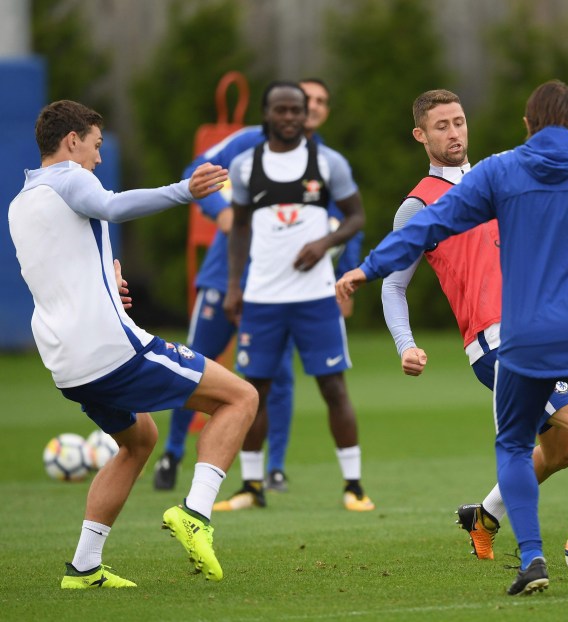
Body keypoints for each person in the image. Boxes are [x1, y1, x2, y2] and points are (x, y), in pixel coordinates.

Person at [338, 80, 568, 597]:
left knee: (562, 451)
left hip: (547, 329)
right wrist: (405, 344)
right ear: (420, 135)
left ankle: (483, 517)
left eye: (459, 121)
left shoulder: (505, 176)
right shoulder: (421, 203)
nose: (454, 132)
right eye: (441, 126)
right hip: (495, 341)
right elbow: (396, 284)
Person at [8, 100, 257, 587]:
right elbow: (112, 206)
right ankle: (195, 514)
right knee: (241, 397)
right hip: (108, 349)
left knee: (138, 440)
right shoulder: (70, 177)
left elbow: (58, 270)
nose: (98, 159)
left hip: (66, 363)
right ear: (72, 140)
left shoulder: (22, 201)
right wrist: (185, 191)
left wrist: (106, 282)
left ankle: (83, 567)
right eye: (96, 146)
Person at [153, 78, 362, 495]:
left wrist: (348, 275)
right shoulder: (248, 145)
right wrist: (223, 214)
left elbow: (349, 219)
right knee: (195, 365)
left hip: (293, 289)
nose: (310, 108)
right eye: (304, 100)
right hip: (227, 280)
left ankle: (275, 470)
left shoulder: (326, 161)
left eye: (319, 101)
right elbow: (195, 174)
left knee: (276, 379)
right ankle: (173, 452)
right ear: (271, 110)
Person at [222, 81, 373, 512]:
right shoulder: (245, 166)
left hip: (316, 298)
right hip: (262, 298)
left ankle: (354, 485)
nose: (289, 118)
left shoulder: (328, 163)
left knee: (333, 388)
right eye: (280, 110)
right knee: (253, 392)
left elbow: (357, 216)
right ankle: (251, 486)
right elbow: (241, 230)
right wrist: (235, 286)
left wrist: (323, 245)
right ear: (267, 114)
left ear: (306, 115)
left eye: (296, 111)